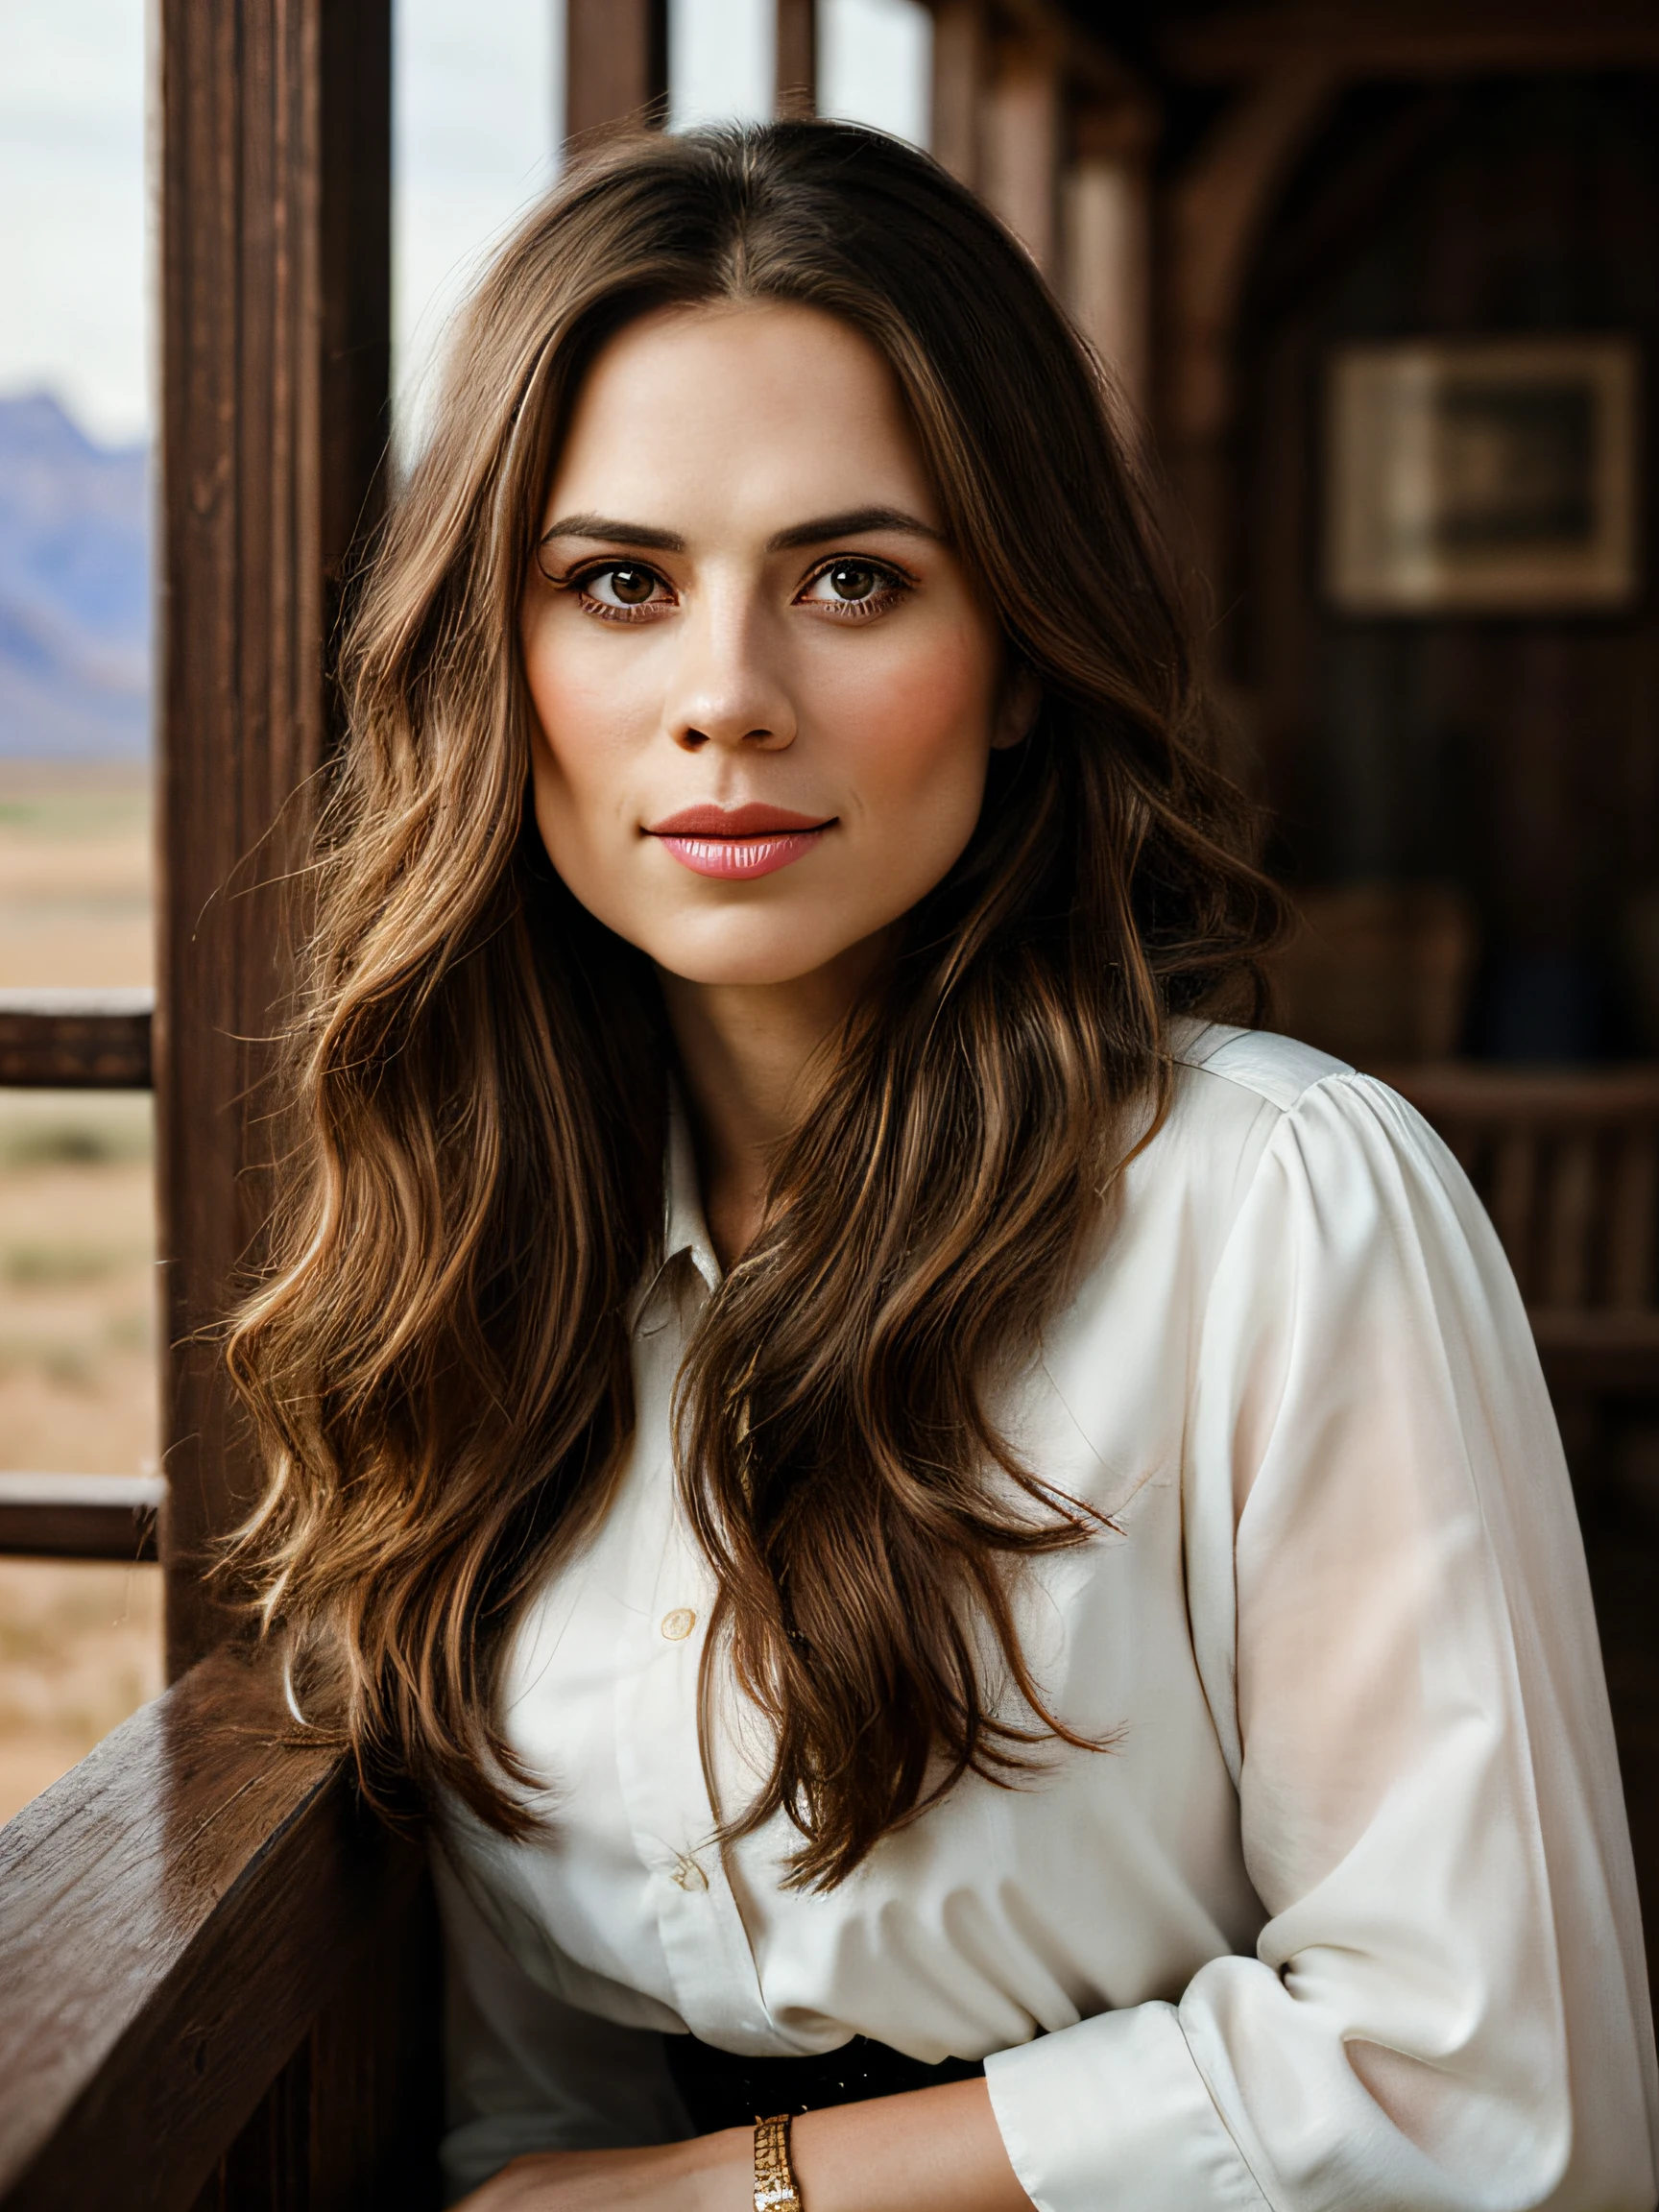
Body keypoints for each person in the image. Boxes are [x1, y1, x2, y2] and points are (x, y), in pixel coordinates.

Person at [227, 122, 1659, 2212]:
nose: (726, 700)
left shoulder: (1277, 1205)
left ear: (1013, 671)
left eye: (853, 581)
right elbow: (526, 2104)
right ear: (496, 662)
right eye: (619, 583)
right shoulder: (490, 1270)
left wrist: (736, 2193)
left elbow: (1488, 2090)